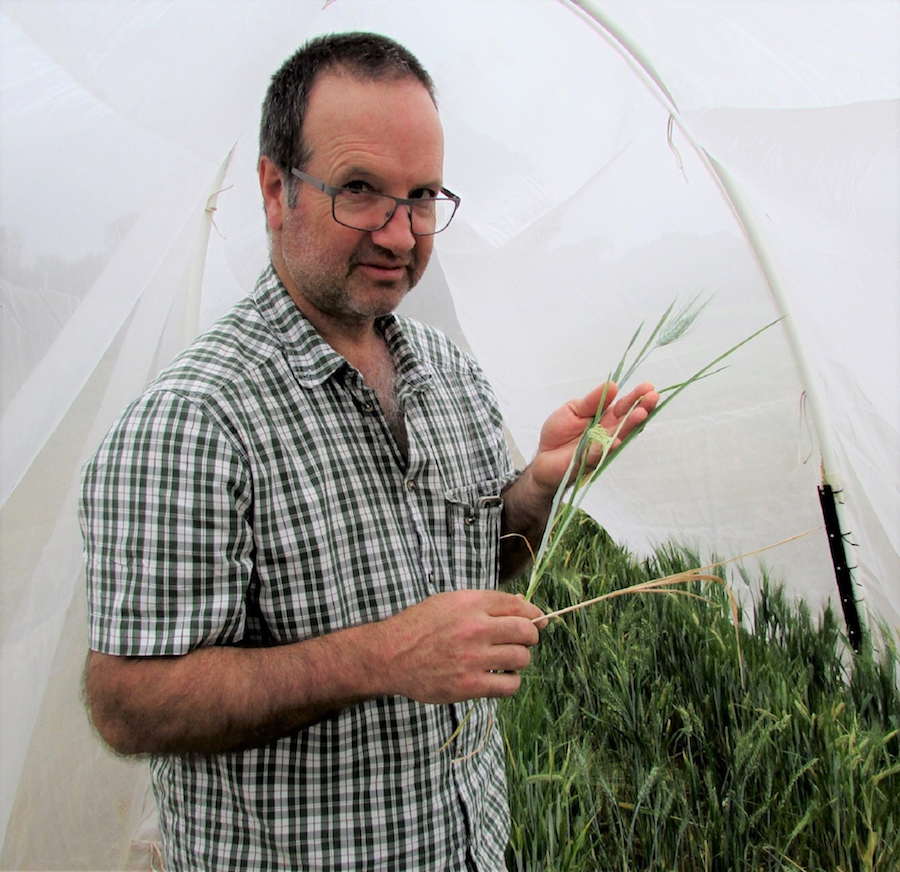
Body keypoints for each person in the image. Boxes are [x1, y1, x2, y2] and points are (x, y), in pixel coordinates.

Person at [79, 32, 658, 871]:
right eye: (361, 191)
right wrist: (385, 655)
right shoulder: (195, 421)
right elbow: (128, 705)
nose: (400, 233)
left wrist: (538, 488)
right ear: (276, 189)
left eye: (422, 197)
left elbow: (483, 559)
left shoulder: (448, 372)